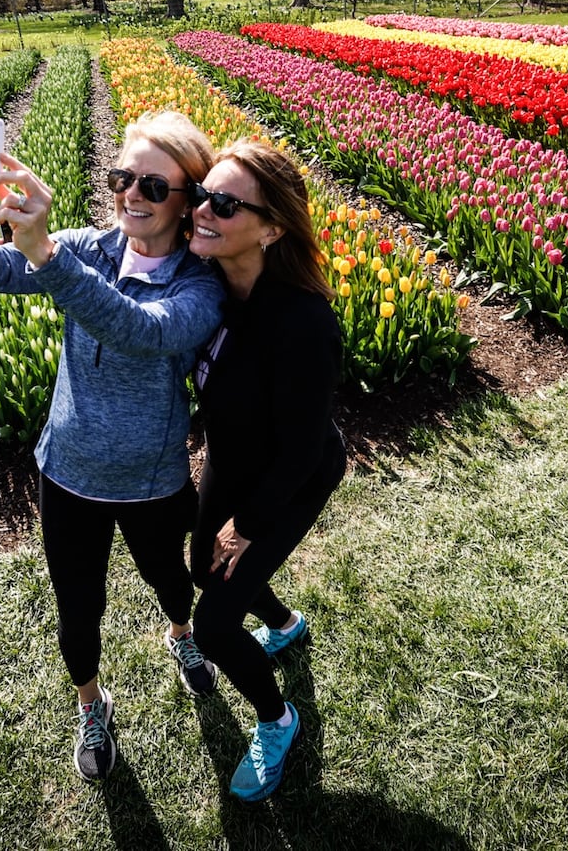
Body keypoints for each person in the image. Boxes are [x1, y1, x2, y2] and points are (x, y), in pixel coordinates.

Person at [0, 103, 224, 783]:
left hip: (152, 479)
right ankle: (90, 702)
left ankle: (181, 634)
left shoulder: (201, 285)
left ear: (187, 199)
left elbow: (143, 330)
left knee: (171, 579)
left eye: (154, 186)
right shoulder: (87, 250)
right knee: (78, 610)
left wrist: (45, 253)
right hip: (69, 472)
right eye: (123, 179)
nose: (132, 196)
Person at [185, 140, 347, 802]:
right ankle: (284, 626)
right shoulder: (208, 285)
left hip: (292, 471)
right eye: (202, 195)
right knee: (203, 568)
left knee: (214, 625)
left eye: (224, 204)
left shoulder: (304, 323)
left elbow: (305, 446)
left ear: (273, 228)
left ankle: (278, 720)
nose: (202, 211)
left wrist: (247, 526)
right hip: (231, 455)